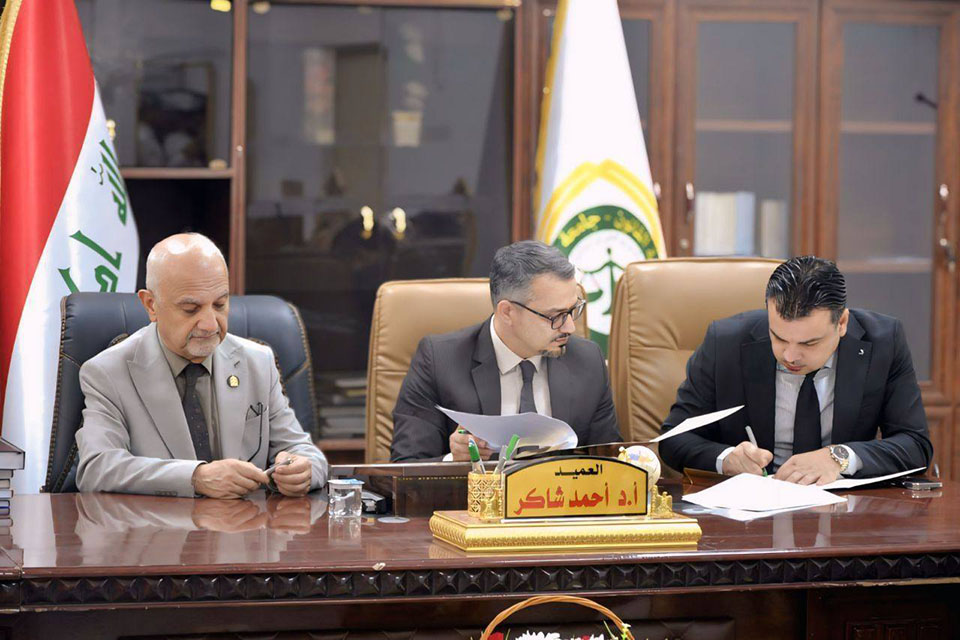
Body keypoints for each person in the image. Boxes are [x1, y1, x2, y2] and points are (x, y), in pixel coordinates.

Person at [76, 233, 327, 498]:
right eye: (190, 309)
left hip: (246, 522)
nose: (210, 324)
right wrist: (196, 477)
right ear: (151, 305)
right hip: (157, 523)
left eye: (220, 304)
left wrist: (303, 470)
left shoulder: (258, 362)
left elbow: (305, 452)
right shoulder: (107, 372)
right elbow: (97, 467)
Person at [659, 256, 932, 484]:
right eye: (778, 337)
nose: (790, 356)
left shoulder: (883, 341)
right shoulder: (726, 342)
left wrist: (839, 457)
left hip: (844, 510)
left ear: (842, 323)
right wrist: (727, 459)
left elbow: (915, 445)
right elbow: (674, 439)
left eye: (809, 343)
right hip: (751, 513)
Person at [390, 240, 621, 461]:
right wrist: (454, 460)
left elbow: (611, 463)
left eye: (573, 310)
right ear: (507, 312)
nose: (569, 327)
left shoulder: (588, 361)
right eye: (555, 316)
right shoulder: (439, 361)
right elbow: (404, 466)